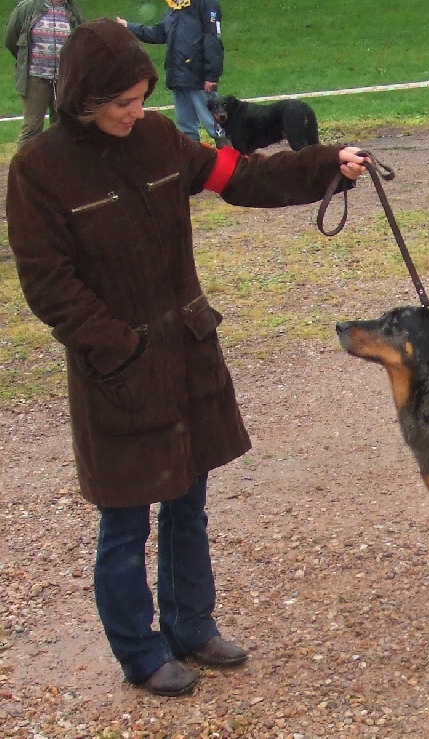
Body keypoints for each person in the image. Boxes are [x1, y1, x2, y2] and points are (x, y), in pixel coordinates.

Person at [6, 18, 367, 698]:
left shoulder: (160, 139)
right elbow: (48, 285)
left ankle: (190, 624)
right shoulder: (37, 170)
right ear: (83, 99)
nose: (136, 113)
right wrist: (120, 348)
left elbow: (240, 175)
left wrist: (328, 166)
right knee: (124, 522)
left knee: (189, 500)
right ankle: (140, 651)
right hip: (118, 373)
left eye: (141, 98)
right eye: (122, 104)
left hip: (185, 354)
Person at [116, 0, 229, 147]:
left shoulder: (206, 3)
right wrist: (129, 27)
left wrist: (211, 75)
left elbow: (212, 39)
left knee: (214, 123)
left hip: (199, 77)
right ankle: (192, 162)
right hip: (177, 77)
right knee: (185, 128)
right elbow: (159, 33)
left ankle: (231, 159)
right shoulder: (175, 7)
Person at [4, 0, 84, 147]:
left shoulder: (73, 11)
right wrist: (25, 60)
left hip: (64, 80)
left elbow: (81, 41)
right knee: (32, 128)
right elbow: (10, 38)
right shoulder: (27, 8)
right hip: (35, 79)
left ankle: (58, 167)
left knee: (62, 127)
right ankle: (24, 168)